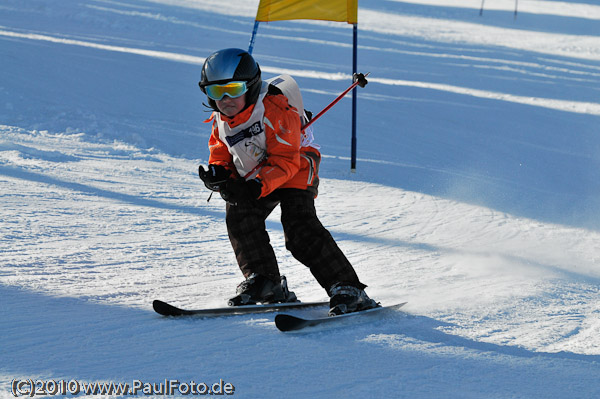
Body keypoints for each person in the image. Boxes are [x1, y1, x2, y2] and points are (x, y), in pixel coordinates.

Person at [197, 48, 377, 316]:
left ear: (251, 85)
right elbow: (220, 149)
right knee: (239, 215)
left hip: (297, 165)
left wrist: (255, 185)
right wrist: (221, 174)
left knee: (299, 227)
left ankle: (348, 288)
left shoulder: (275, 110)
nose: (225, 99)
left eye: (233, 89)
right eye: (215, 92)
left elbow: (285, 161)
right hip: (259, 172)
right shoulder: (222, 119)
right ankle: (264, 280)